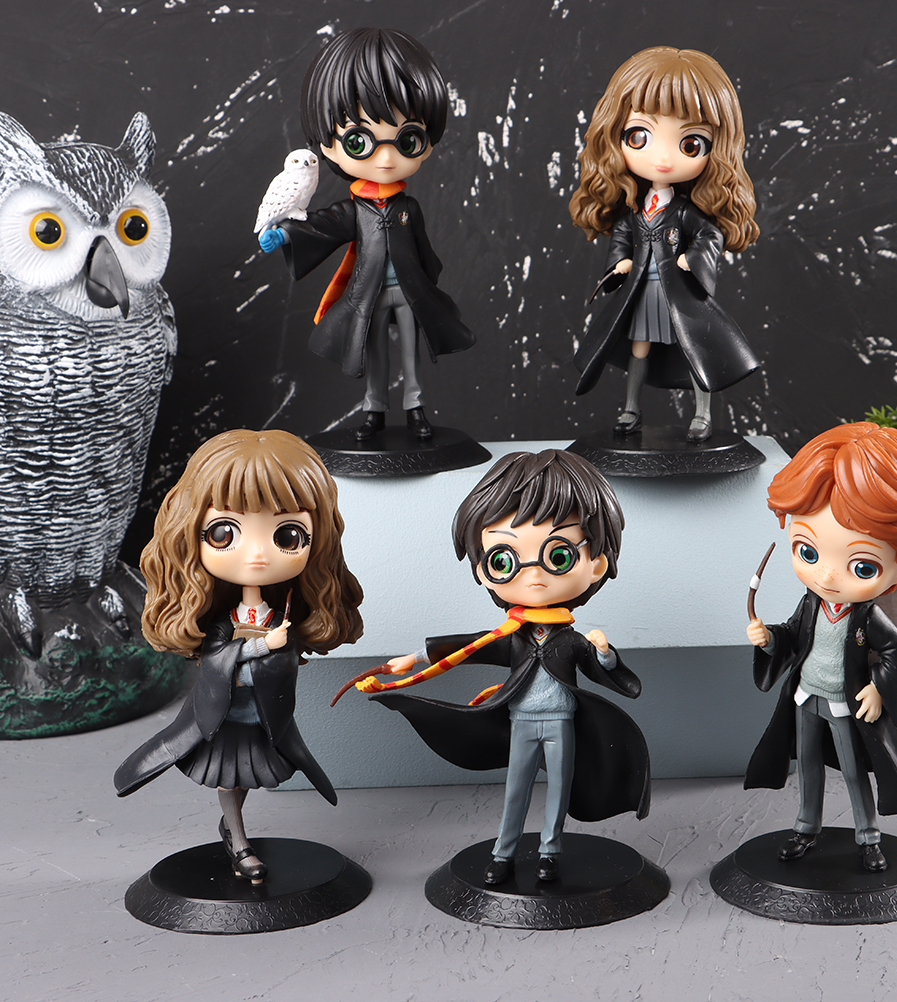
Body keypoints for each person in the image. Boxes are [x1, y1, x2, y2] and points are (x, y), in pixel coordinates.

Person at [357, 449, 650, 885]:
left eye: (558, 557)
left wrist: (604, 653)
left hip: (562, 722)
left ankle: (550, 852)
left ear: (596, 565)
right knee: (516, 790)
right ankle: (503, 853)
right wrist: (411, 659)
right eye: (504, 560)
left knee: (560, 789)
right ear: (483, 569)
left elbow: (605, 671)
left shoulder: (572, 640)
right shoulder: (510, 636)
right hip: (519, 721)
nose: (533, 576)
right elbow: (466, 647)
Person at [114, 429, 363, 883]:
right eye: (224, 532)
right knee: (228, 778)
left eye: (288, 534)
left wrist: (280, 647)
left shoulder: (279, 616)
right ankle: (239, 839)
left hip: (262, 718)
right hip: (223, 717)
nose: (258, 555)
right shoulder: (224, 621)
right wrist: (262, 647)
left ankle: (233, 828)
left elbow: (282, 668)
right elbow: (216, 660)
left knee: (248, 777)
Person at [745, 422, 897, 871]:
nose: (827, 576)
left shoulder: (866, 617)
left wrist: (877, 688)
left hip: (842, 701)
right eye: (808, 552)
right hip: (806, 695)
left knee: (855, 769)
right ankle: (806, 828)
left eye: (861, 566)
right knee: (808, 766)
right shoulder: (811, 603)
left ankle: (867, 835)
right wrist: (769, 639)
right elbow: (793, 635)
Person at [258, 27, 474, 441]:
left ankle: (415, 407)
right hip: (369, 293)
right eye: (360, 141)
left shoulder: (408, 208)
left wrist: (429, 281)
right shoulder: (354, 210)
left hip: (409, 292)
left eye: (408, 139)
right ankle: (374, 408)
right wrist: (285, 235)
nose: (387, 158)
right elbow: (322, 225)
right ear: (327, 145)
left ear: (428, 142)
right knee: (373, 352)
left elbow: (425, 251)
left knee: (410, 353)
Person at [569, 47, 759, 441]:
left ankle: (702, 415)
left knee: (694, 348)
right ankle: (631, 409)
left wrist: (694, 258)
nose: (663, 158)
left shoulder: (685, 211)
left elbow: (711, 234)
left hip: (678, 293)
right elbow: (622, 238)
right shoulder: (635, 211)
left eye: (690, 144)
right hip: (643, 290)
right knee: (639, 347)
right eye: (639, 136)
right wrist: (620, 263)